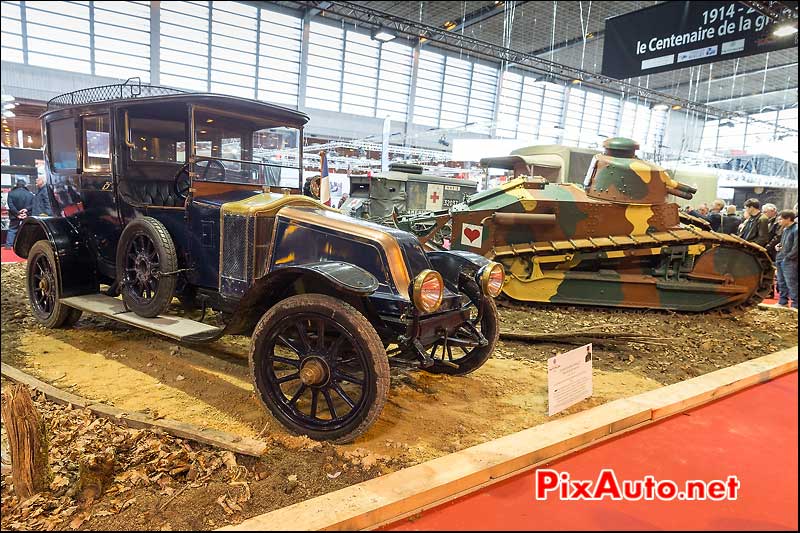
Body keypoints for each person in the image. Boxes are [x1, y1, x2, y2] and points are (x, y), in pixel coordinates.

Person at [774, 209, 798, 309]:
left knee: (791, 282)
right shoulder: (785, 229)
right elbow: (783, 243)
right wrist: (778, 246)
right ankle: (782, 301)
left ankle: (795, 304)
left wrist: (788, 258)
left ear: (788, 219)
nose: (779, 221)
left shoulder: (796, 229)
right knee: (781, 281)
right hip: (781, 258)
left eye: (781, 219)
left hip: (790, 261)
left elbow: (796, 247)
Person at [5, 179, 33, 249]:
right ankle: (25, 245)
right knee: (26, 230)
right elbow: (32, 205)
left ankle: (9, 245)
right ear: (24, 185)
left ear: (16, 185)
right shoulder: (30, 194)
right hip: (26, 215)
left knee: (12, 229)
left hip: (15, 215)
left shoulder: (11, 193)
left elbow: (10, 205)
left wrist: (17, 213)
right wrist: (25, 211)